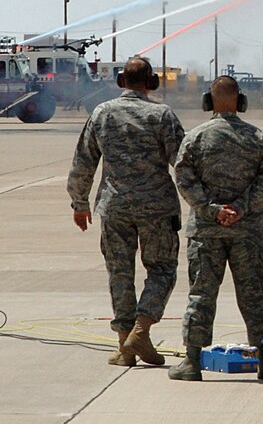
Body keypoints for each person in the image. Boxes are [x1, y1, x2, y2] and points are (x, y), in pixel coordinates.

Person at [68, 56, 185, 367]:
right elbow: (183, 164)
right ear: (151, 83)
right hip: (157, 208)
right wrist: (204, 202)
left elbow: (84, 161)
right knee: (162, 269)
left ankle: (124, 346)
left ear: (121, 81)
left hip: (114, 206)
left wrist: (79, 203)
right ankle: (140, 331)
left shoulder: (102, 113)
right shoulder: (162, 115)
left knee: (120, 274)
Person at [169, 75, 263, 381]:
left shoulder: (196, 137)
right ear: (240, 101)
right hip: (248, 232)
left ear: (209, 100)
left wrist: (212, 210)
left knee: (201, 295)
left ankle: (192, 362)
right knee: (256, 295)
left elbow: (184, 178)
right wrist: (241, 208)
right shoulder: (257, 138)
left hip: (206, 232)